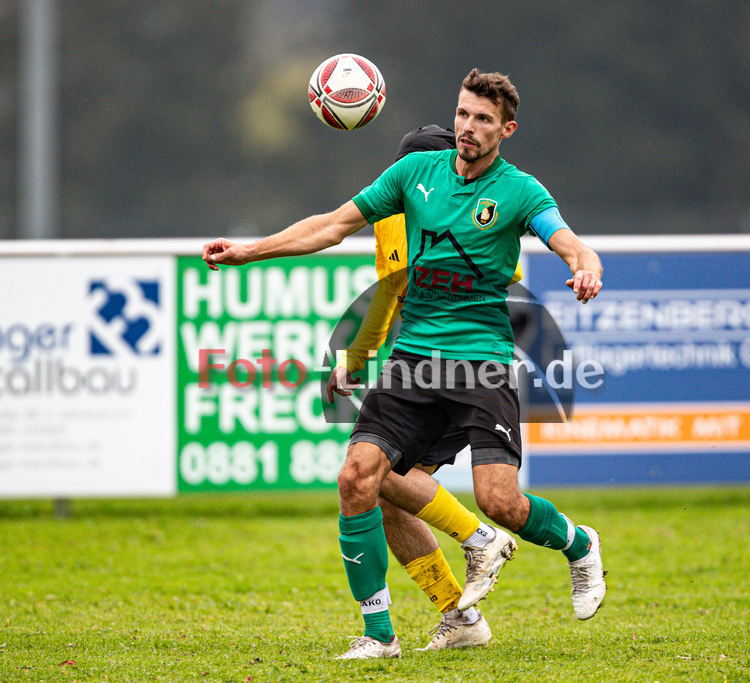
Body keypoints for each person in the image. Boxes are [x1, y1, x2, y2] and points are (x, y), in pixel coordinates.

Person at [203, 68, 606, 661]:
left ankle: (576, 544)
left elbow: (568, 239)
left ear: (506, 130)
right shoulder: (413, 173)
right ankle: (379, 635)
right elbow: (331, 226)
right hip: (413, 361)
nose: (469, 128)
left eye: (484, 120)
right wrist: (250, 251)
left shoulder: (520, 191)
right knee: (358, 478)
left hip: (482, 362)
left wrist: (585, 264)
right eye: (464, 114)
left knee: (501, 502)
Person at [325, 124, 526, 652]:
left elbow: (397, 285)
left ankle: (480, 538)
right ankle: (459, 616)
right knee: (383, 494)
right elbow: (397, 287)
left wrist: (359, 355)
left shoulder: (414, 211)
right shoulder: (435, 204)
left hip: (457, 371)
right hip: (432, 367)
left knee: (381, 478)